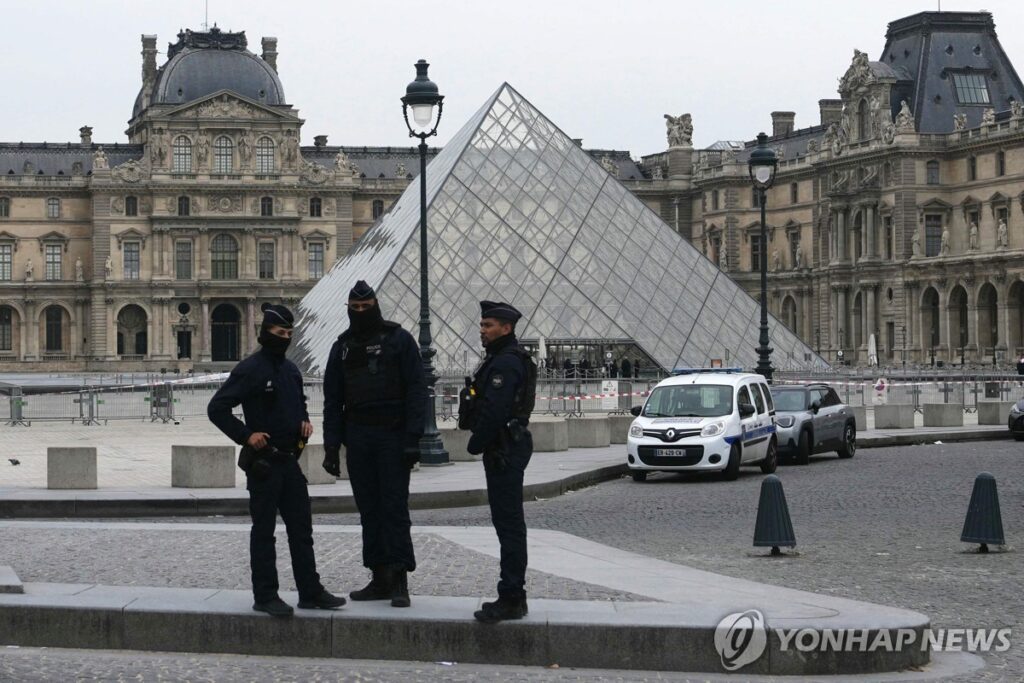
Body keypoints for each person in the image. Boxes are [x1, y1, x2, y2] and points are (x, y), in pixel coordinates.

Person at [208, 304, 346, 617]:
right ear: (265, 333)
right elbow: (217, 408)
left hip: (289, 461)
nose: (284, 338)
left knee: (302, 529)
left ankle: (310, 591)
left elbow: (298, 403)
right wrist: (246, 435)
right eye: (279, 333)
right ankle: (265, 594)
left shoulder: (291, 370)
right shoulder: (249, 368)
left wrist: (305, 421)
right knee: (264, 531)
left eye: (288, 334)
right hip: (264, 464)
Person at [322, 280, 426, 608]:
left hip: (393, 436)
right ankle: (378, 575)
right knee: (369, 510)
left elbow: (416, 391)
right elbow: (332, 400)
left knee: (394, 508)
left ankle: (399, 578)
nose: (362, 313)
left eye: (367, 308)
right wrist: (330, 447)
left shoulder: (400, 340)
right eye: (356, 309)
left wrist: (412, 439)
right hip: (359, 436)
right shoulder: (341, 347)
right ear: (349, 309)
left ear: (376, 306)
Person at [460, 301, 537, 623]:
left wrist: (475, 444)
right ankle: (512, 593)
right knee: (507, 523)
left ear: (506, 328)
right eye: (482, 324)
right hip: (505, 446)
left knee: (508, 525)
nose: (482, 330)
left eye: (488, 325)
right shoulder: (502, 358)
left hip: (504, 448)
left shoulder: (505, 363)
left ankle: (512, 596)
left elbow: (495, 410)